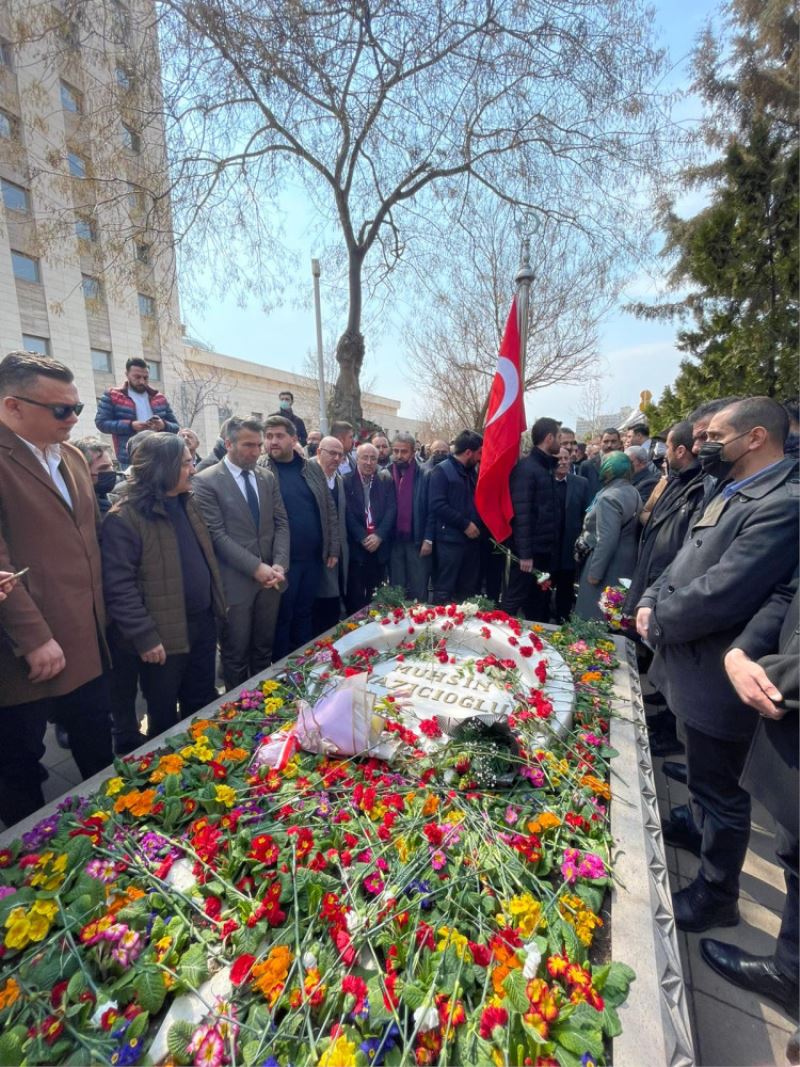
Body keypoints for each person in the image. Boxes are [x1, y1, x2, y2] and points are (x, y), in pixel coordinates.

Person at [635, 396, 799, 932]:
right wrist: (649, 599)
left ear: (754, 438)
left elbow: (723, 591)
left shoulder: (782, 501)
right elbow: (685, 559)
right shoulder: (731, 488)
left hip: (718, 673)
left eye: (715, 436)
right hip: (690, 664)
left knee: (722, 793)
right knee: (705, 784)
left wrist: (659, 619)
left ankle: (715, 894)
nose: (704, 444)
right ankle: (694, 826)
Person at [0, 351, 113, 825]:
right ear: (12, 407)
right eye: (60, 410)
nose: (73, 418)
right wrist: (33, 637)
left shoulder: (69, 455)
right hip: (28, 652)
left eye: (77, 409)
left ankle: (109, 829)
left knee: (95, 747)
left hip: (85, 637)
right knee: (20, 765)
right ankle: (33, 858)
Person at [698, 576, 799, 1025]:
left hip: (785, 691)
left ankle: (790, 974)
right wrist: (741, 653)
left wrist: (778, 678)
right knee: (793, 849)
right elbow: (787, 593)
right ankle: (791, 970)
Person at [102, 434, 225, 739]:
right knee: (164, 715)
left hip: (202, 624)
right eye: (186, 463)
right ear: (163, 467)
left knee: (201, 702)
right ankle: (166, 776)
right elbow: (119, 587)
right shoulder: (125, 517)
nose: (193, 469)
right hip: (162, 637)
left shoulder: (187, 501)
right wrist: (144, 636)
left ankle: (203, 765)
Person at [193, 417, 290, 689]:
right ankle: (238, 711)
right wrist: (256, 568)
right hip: (235, 585)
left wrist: (280, 564)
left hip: (271, 580)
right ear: (228, 444)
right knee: (235, 655)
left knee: (263, 649)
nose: (257, 451)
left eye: (259, 445)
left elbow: (281, 522)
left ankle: (263, 703)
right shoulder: (206, 481)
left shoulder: (267, 477)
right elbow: (216, 535)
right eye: (249, 445)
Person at [260, 416, 338, 660]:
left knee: (305, 613)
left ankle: (302, 666)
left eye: (279, 435)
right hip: (281, 562)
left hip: (313, 558)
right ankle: (282, 670)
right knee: (283, 617)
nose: (273, 441)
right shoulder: (261, 469)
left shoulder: (311, 467)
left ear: (294, 439)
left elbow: (328, 508)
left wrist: (333, 547)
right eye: (269, 436)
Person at [501, 417, 560, 621]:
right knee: (514, 599)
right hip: (528, 554)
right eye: (559, 437)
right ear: (549, 438)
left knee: (537, 602)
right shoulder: (527, 469)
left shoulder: (545, 468)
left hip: (543, 550)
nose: (560, 442)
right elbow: (522, 514)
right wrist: (525, 553)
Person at [574, 451, 640, 621]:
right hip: (625, 561)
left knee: (593, 616)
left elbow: (607, 539)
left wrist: (595, 574)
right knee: (613, 615)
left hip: (607, 564)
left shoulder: (609, 497)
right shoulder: (632, 491)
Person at [427, 430, 483, 605]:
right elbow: (438, 504)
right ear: (468, 452)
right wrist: (465, 524)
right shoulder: (442, 470)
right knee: (444, 590)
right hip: (449, 543)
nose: (481, 457)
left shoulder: (472, 472)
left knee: (467, 592)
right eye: (479, 453)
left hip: (471, 544)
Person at [343, 442, 397, 612]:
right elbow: (346, 513)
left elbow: (392, 509)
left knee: (376, 595)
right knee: (355, 594)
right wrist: (362, 537)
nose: (369, 462)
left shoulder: (386, 479)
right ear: (356, 459)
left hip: (379, 546)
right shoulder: (346, 481)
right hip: (357, 546)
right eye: (364, 458)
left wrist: (379, 535)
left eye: (373, 458)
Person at [95, 356, 179, 465]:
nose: (142, 381)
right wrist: (130, 426)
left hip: (159, 456)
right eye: (137, 377)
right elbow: (101, 423)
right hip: (130, 458)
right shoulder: (113, 395)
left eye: (146, 377)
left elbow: (176, 427)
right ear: (127, 374)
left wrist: (163, 425)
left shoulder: (159, 398)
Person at [387, 431, 433, 602]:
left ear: (413, 452)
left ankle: (420, 625)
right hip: (393, 542)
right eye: (396, 451)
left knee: (418, 589)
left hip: (417, 541)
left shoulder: (426, 475)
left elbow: (431, 511)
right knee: (396, 590)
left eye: (403, 451)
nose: (399, 456)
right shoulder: (386, 474)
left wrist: (428, 539)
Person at [311, 436, 349, 634]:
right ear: (319, 452)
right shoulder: (309, 475)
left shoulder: (339, 480)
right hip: (317, 552)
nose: (336, 458)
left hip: (337, 551)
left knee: (333, 598)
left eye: (340, 455)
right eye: (331, 453)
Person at [551, 445, 591, 621]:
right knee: (543, 587)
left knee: (565, 588)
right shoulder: (544, 481)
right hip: (548, 547)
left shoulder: (581, 483)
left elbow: (586, 513)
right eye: (559, 458)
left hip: (569, 545)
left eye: (566, 458)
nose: (563, 462)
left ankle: (562, 619)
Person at [73, 437, 119, 514]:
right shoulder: (78, 511)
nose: (111, 471)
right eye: (103, 468)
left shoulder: (113, 501)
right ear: (82, 472)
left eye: (112, 466)